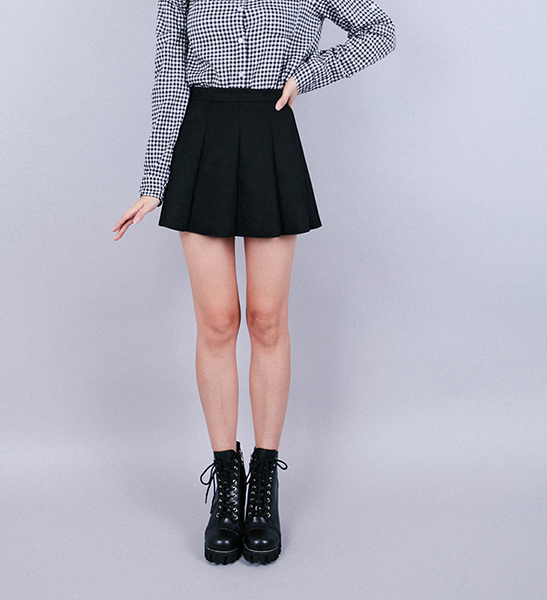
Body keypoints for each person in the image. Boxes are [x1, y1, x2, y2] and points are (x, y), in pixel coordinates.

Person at [113, 0, 395, 565]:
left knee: (267, 319)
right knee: (218, 322)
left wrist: (306, 75)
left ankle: (264, 484)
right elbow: (170, 74)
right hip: (201, 136)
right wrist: (153, 180)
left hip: (270, 133)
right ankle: (227, 483)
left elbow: (377, 31)